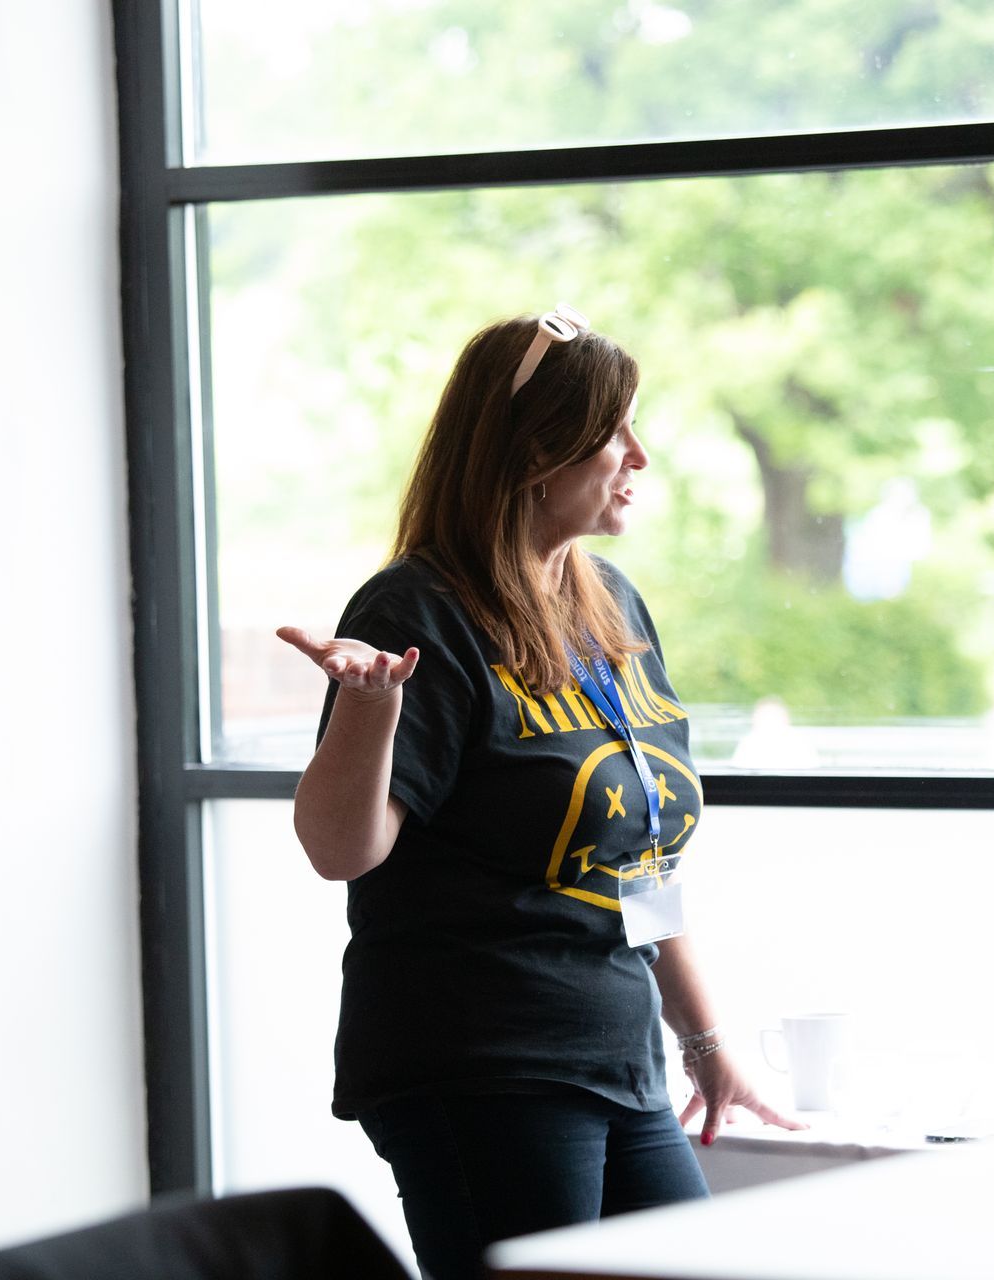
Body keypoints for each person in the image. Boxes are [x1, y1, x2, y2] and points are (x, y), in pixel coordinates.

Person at [277, 307, 795, 1279]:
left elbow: (639, 861)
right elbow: (339, 849)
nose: (638, 455)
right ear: (537, 455)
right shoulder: (417, 609)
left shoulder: (608, 604)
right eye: (614, 433)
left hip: (615, 1054)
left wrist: (706, 1040)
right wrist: (369, 706)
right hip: (483, 1065)